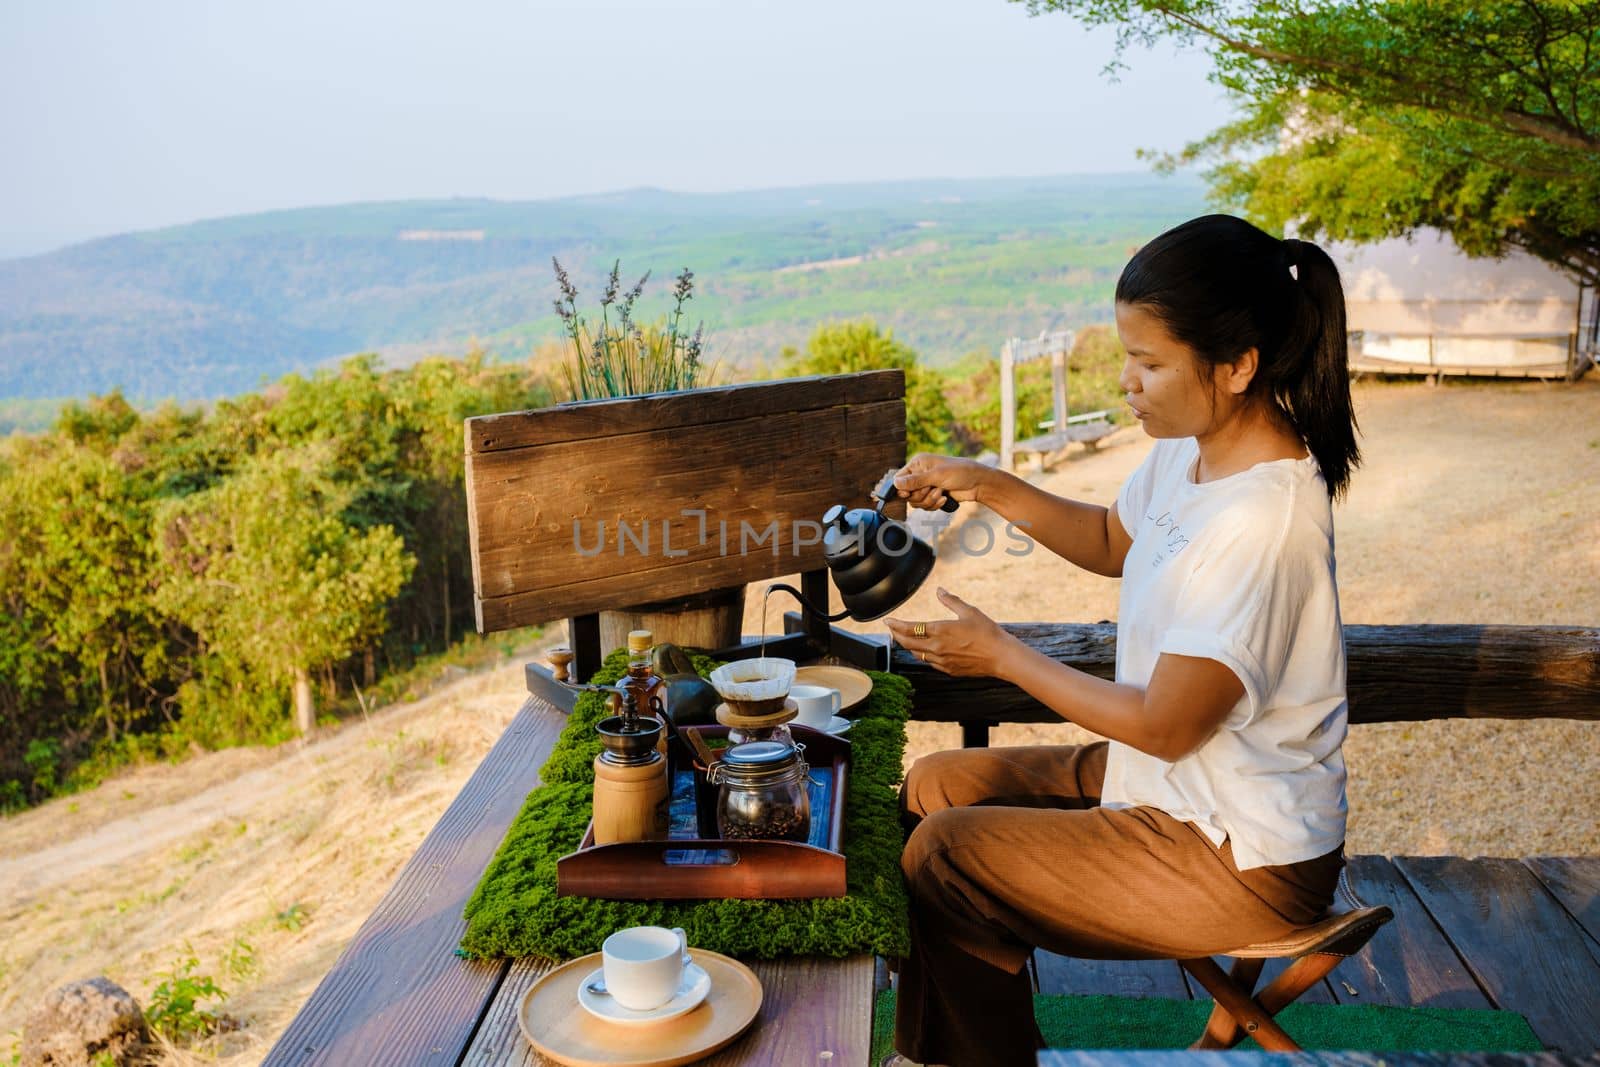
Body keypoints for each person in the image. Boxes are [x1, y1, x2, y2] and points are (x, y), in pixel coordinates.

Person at [880, 214, 1362, 1067]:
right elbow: (1111, 538)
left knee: (947, 858)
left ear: (1238, 365)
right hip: (1177, 791)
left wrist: (1000, 654)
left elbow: (1167, 725)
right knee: (935, 785)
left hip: (1243, 851)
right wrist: (984, 481)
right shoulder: (1195, 451)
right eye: (1125, 357)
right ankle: (944, 1051)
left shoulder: (1264, 519)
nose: (1129, 382)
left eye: (1149, 362)